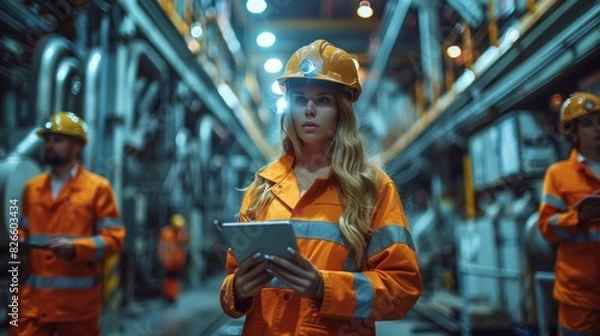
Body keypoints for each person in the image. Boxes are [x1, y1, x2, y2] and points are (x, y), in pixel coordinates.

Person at [219, 39, 422, 335]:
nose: (309, 110)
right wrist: (237, 289)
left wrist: (323, 287)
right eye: (300, 99)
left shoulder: (372, 189)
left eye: (323, 100)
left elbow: (402, 288)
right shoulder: (263, 187)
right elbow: (233, 280)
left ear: (341, 110)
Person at [11, 111, 126, 336]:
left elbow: (114, 240)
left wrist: (76, 248)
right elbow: (22, 229)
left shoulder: (97, 189)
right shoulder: (32, 188)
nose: (50, 145)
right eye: (48, 140)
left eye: (58, 140)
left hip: (76, 307)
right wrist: (19, 237)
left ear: (76, 147)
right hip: (32, 304)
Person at [538, 91, 600, 335]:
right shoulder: (559, 175)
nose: (597, 129)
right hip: (580, 296)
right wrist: (578, 218)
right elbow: (546, 227)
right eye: (587, 124)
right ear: (571, 131)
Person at [158, 213, 189, 304]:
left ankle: (172, 296)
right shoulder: (166, 233)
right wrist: (162, 257)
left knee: (174, 280)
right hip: (168, 261)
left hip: (177, 262)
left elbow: (186, 240)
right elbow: (162, 247)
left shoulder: (180, 234)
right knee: (168, 279)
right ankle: (168, 296)